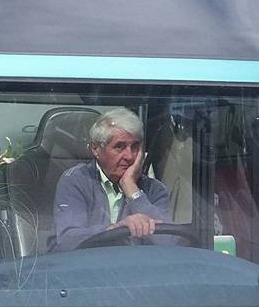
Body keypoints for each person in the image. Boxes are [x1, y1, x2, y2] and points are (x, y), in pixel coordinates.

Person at [49, 106, 172, 251]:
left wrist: (131, 188)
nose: (129, 156)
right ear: (96, 149)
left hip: (137, 269)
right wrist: (115, 229)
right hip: (84, 269)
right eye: (119, 147)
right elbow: (67, 239)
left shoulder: (154, 189)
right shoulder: (76, 181)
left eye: (135, 146)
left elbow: (169, 241)